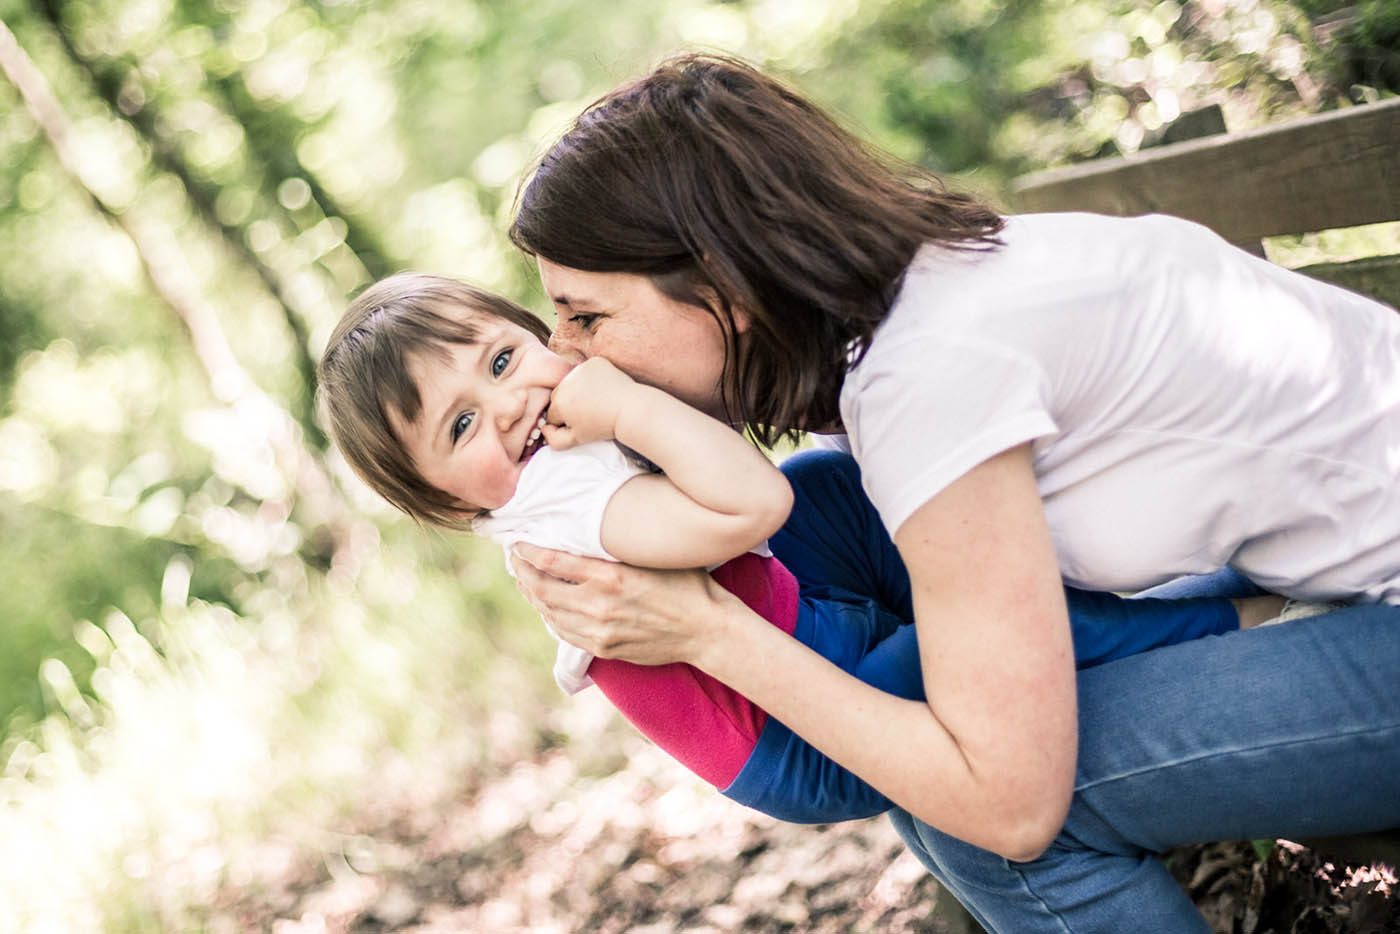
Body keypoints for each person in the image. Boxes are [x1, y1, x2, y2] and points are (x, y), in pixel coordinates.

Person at [504, 53, 1400, 932]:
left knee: (983, 827)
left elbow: (1011, 806)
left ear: (722, 287)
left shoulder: (927, 376)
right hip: (1348, 587)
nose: (570, 358)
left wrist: (707, 630)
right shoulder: (916, 308)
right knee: (921, 724)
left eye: (587, 316)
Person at [316, 272, 1272, 826]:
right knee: (954, 648)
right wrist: (629, 402)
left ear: (538, 334)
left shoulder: (564, 445)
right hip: (800, 732)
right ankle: (1232, 617)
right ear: (446, 504)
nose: (511, 406)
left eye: (501, 360)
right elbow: (750, 502)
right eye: (460, 427)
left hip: (798, 622)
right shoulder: (565, 507)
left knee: (839, 488)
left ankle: (1032, 560)